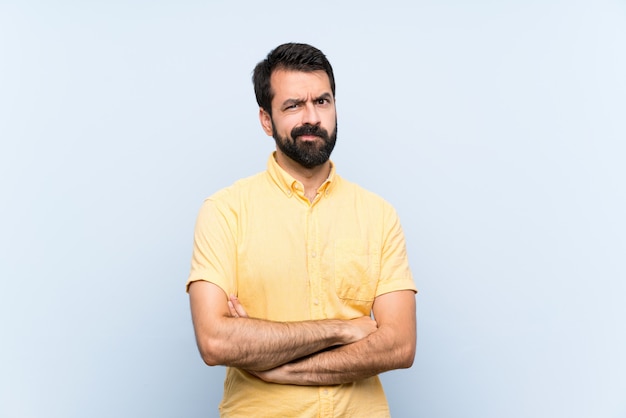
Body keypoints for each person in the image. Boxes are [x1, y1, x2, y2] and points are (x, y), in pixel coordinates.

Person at [187, 42, 417, 417]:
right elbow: (215, 340)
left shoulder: (378, 215)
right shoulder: (225, 212)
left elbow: (399, 345)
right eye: (293, 105)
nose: (311, 116)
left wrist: (277, 366)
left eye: (322, 102)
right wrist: (343, 330)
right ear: (266, 120)